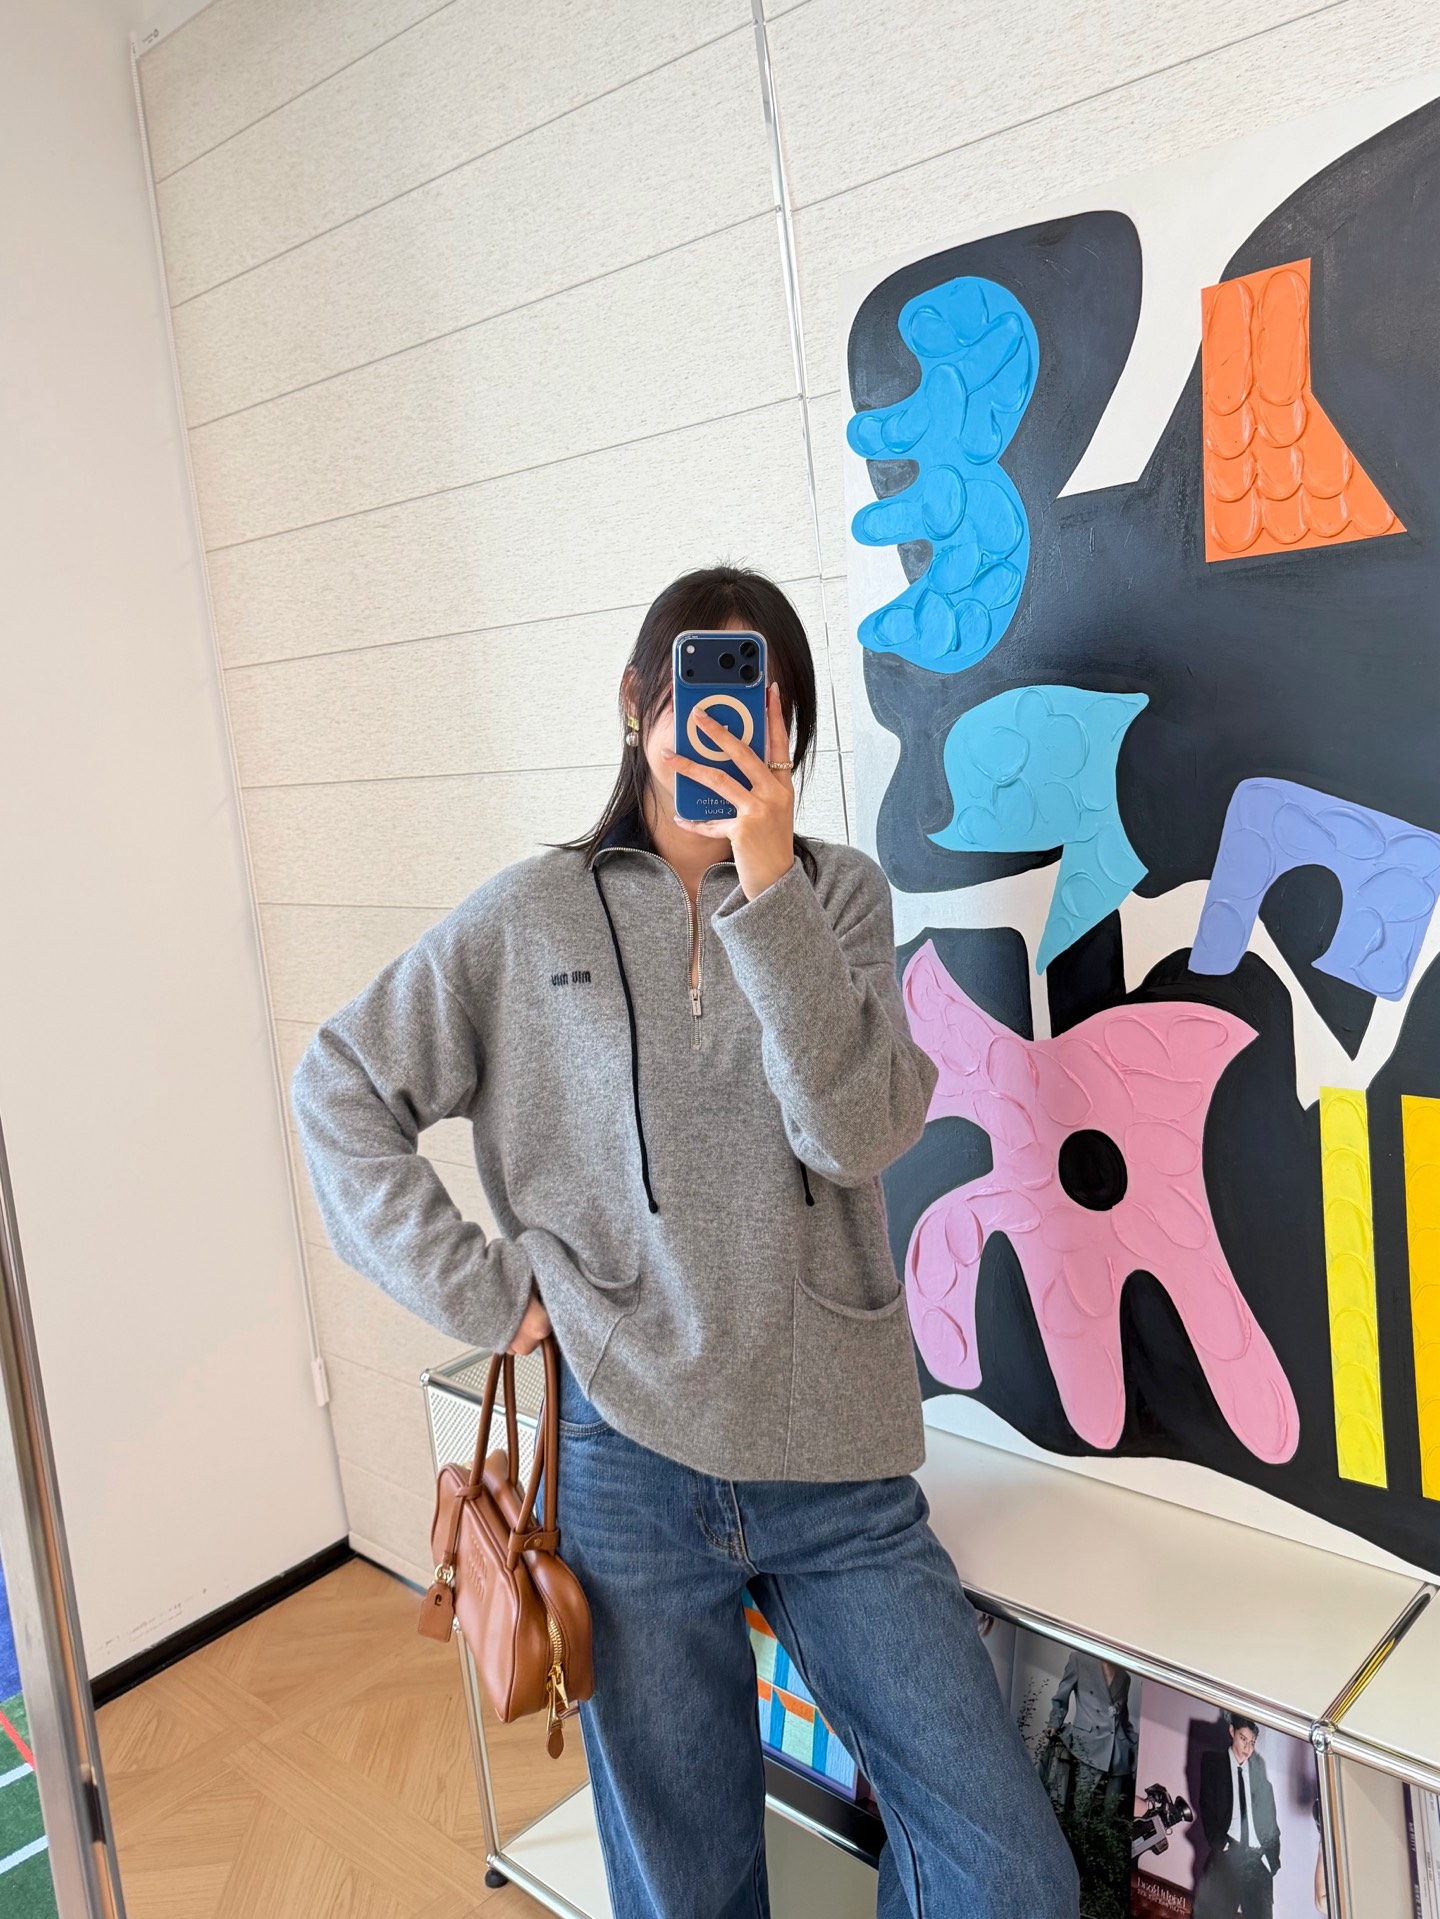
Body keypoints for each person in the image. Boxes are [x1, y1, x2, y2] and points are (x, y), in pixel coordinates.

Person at [291, 565, 1080, 1919]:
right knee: (689, 1890)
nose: (727, 721)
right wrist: (483, 1290)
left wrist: (766, 890)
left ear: (790, 726)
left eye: (759, 697)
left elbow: (854, 1132)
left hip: (835, 1457)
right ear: (637, 701)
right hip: (625, 1457)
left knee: (1007, 1871)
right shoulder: (531, 913)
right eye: (700, 685)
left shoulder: (838, 895)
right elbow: (340, 1085)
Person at [1195, 1716, 1281, 1919]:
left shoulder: (1258, 1769)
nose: (1247, 1748)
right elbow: (1206, 1807)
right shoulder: (1213, 1763)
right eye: (1243, 1739)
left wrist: (1271, 1860)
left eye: (1252, 1742)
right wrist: (1222, 1844)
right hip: (1229, 1853)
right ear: (1232, 1731)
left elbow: (1270, 1820)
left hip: (1257, 1860)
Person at [1043, 1651, 1136, 1817]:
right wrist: (1054, 1723)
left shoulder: (1124, 1676)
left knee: (1112, 1811)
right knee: (1081, 1804)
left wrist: (1135, 1743)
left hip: (1117, 1748)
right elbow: (1061, 1696)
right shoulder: (1079, 1659)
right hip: (1090, 1742)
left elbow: (1123, 1717)